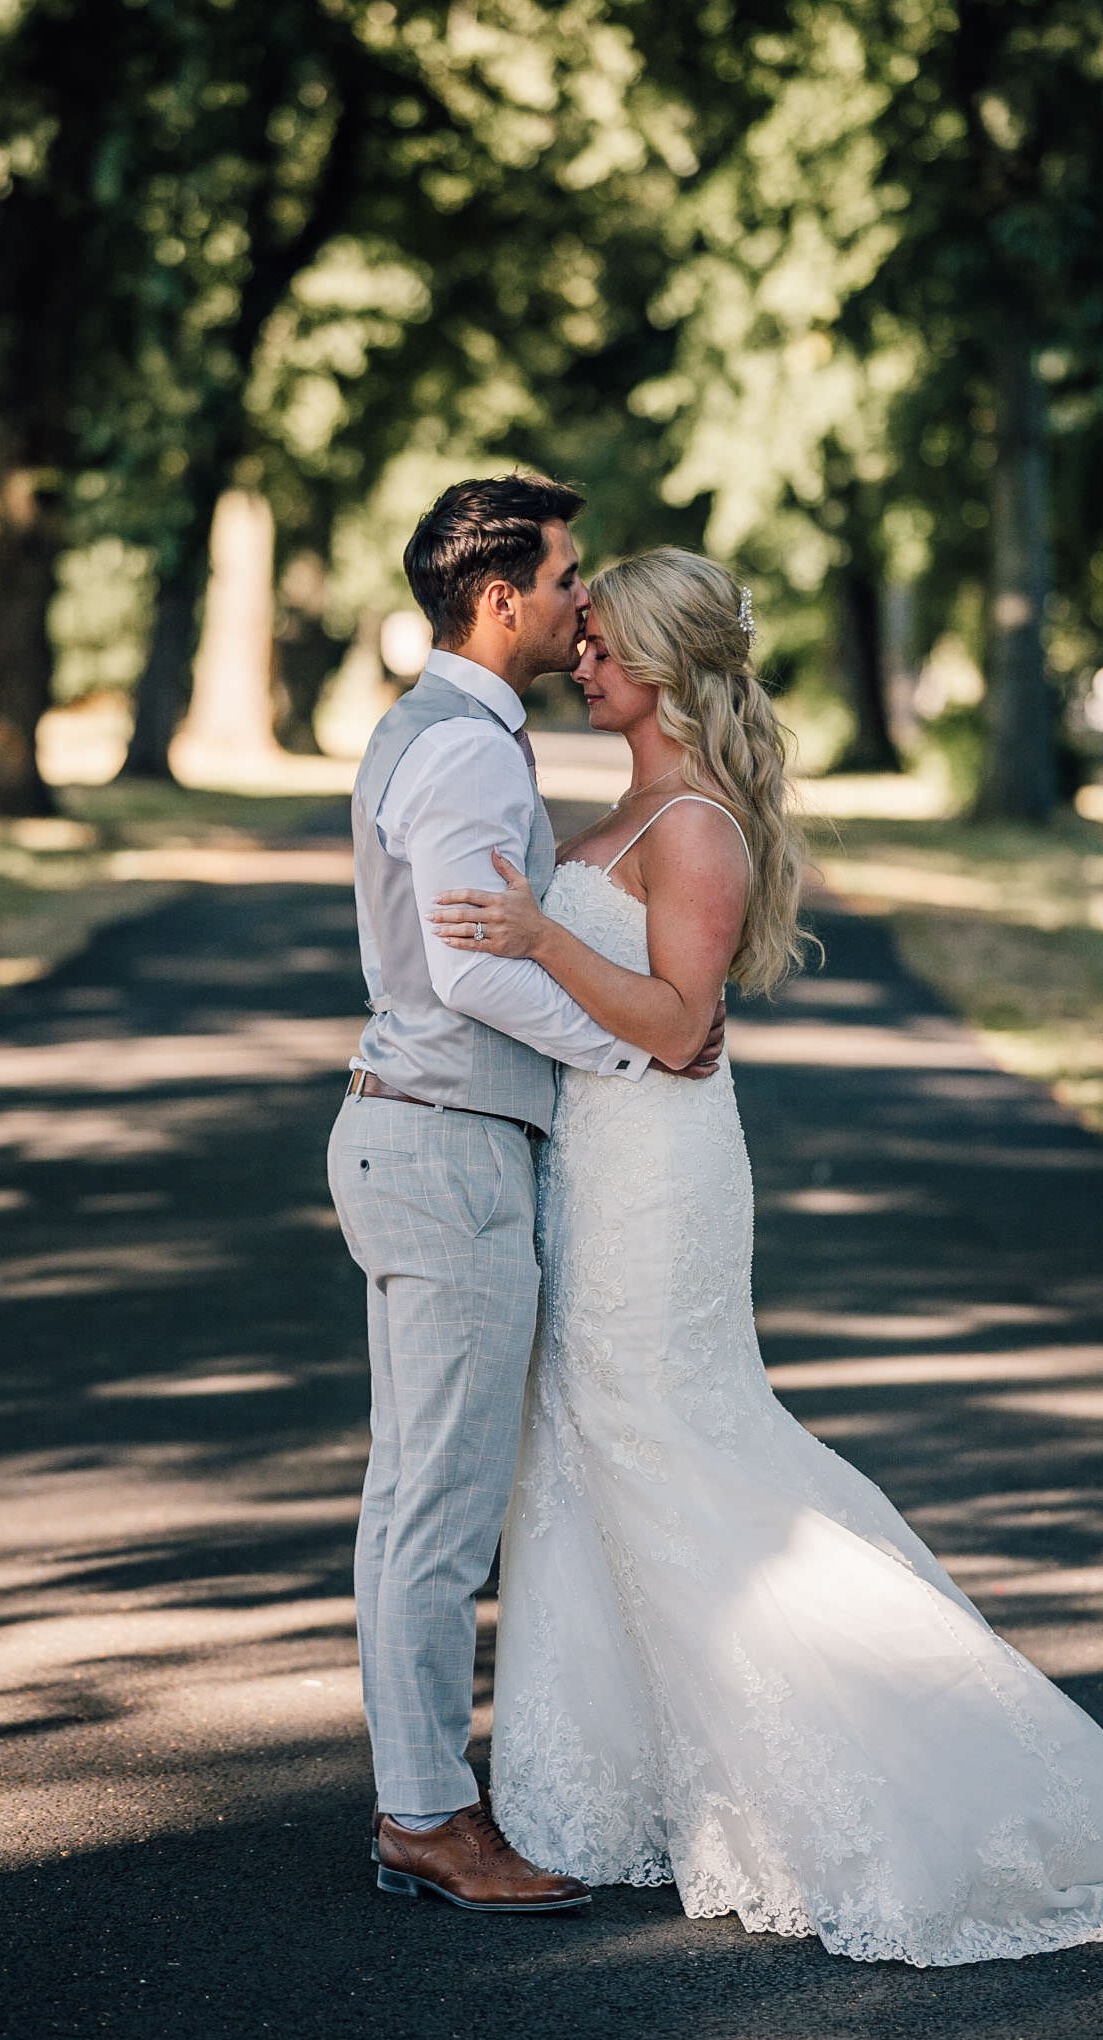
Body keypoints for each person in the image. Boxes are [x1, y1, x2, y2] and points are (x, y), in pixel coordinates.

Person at [428, 546, 1103, 1966]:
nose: (573, 660)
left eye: (595, 645)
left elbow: (669, 1025)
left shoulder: (693, 821)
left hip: (658, 1170)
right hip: (591, 1165)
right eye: (575, 639)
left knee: (675, 1442)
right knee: (590, 1438)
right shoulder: (633, 799)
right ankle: (626, 1779)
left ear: (654, 662)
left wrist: (531, 931)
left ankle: (910, 1755)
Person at [328, 476, 720, 1917]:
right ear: (500, 597)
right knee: (433, 1507)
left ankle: (423, 1798)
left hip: (420, 1131)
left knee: (410, 1499)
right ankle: (428, 1815)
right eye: (562, 578)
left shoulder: (435, 727)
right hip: (442, 1139)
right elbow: (474, 969)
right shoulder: (470, 751)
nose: (577, 602)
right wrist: (637, 1043)